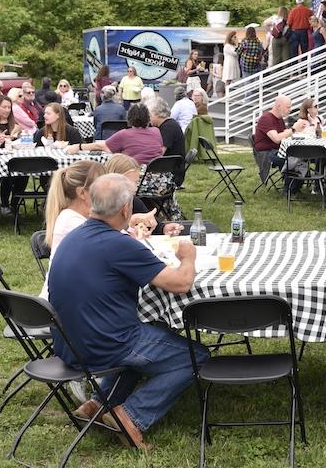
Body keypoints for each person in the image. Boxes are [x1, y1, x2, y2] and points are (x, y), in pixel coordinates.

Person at [49, 173, 209, 449]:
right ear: (125, 209)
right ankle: (131, 416)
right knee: (196, 356)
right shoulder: (118, 243)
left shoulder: (74, 237)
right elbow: (181, 283)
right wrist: (188, 257)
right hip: (107, 345)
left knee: (154, 336)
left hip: (69, 343)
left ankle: (98, 404)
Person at [39, 160, 105, 298]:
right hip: (64, 306)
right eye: (103, 187)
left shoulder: (80, 218)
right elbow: (109, 251)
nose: (108, 192)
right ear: (82, 193)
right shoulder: (72, 222)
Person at [103, 154, 185, 236]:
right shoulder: (102, 204)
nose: (135, 188)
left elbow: (154, 225)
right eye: (128, 183)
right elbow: (106, 230)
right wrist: (131, 222)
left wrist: (164, 229)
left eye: (136, 182)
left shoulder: (134, 201)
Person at [68, 103, 163, 165]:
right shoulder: (156, 131)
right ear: (148, 118)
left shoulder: (124, 134)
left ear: (129, 117)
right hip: (159, 180)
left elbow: (101, 146)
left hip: (136, 179)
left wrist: (79, 146)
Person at [253, 95, 308, 190]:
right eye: (288, 107)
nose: (290, 110)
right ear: (278, 106)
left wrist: (298, 131)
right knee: (292, 160)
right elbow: (277, 138)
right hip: (266, 152)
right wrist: (293, 129)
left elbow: (284, 135)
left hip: (277, 149)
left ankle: (294, 187)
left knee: (300, 156)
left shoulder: (279, 119)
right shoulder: (266, 118)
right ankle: (289, 189)